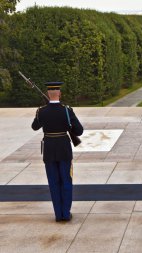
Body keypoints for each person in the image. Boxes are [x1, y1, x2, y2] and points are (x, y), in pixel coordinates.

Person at [31, 82, 83, 222]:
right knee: (66, 181)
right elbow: (79, 131)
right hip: (64, 150)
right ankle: (66, 214)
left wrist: (40, 113)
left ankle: (58, 215)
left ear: (48, 94)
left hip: (49, 150)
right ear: (59, 93)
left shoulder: (41, 111)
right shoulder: (67, 110)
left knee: (53, 182)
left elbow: (35, 127)